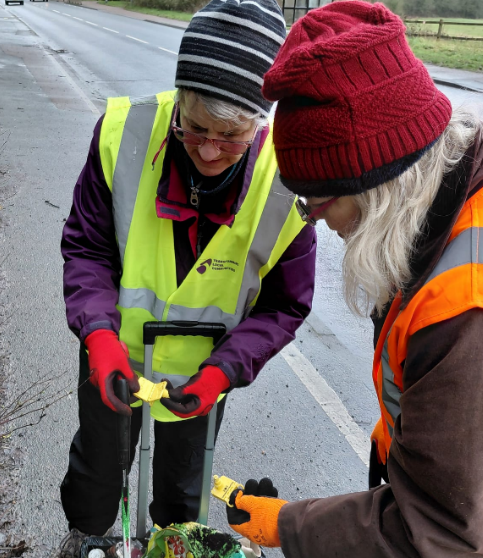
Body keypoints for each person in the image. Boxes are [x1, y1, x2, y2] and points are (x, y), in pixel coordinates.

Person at [224, 2, 483, 557]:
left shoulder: (482, 304)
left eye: (318, 205)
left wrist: (288, 527)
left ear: (375, 189)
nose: (320, 223)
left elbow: (437, 530)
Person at [57, 0, 316, 555]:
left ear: (260, 122)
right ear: (179, 99)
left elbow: (285, 305)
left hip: (204, 371)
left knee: (182, 495)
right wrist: (98, 335)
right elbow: (87, 248)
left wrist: (223, 372)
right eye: (195, 128)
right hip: (114, 353)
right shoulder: (124, 134)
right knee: (97, 475)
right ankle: (86, 541)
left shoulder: (288, 178)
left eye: (231, 135)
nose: (209, 150)